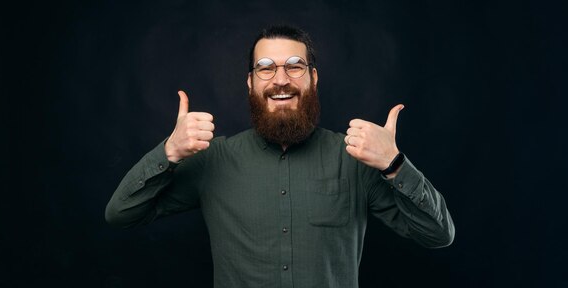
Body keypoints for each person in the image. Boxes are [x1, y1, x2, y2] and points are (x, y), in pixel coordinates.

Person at [105, 25, 455, 288]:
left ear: (313, 79)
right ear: (251, 82)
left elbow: (438, 235)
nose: (281, 79)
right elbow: (121, 214)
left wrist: (394, 165)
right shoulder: (213, 160)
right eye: (266, 68)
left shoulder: (354, 159)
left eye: (295, 66)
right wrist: (169, 152)